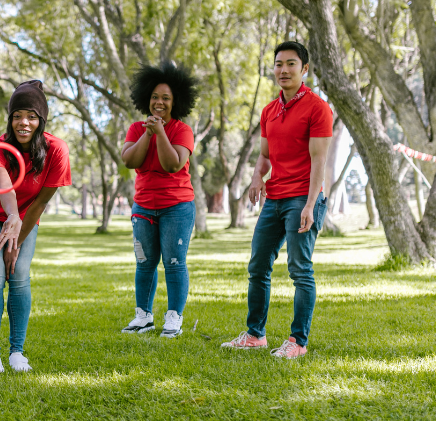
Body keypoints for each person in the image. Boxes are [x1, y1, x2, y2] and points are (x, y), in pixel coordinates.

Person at [221, 41, 332, 359]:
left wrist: (311, 204)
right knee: (257, 267)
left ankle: (298, 342)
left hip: (302, 199)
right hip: (275, 199)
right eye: (278, 64)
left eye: (291, 64)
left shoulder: (317, 108)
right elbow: (265, 155)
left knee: (300, 270)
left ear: (305, 69)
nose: (283, 70)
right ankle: (255, 335)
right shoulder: (269, 110)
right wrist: (257, 177)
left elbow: (319, 161)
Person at [0, 80, 71, 373]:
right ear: (10, 119)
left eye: (31, 115)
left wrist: (17, 239)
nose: (23, 122)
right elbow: (5, 189)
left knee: (19, 272)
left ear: (41, 120)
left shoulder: (57, 151)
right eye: (17, 115)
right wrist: (11, 217)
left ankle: (17, 352)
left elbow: (39, 204)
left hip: (26, 216)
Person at [120, 61, 200, 338]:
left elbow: (173, 165)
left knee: (174, 262)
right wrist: (147, 132)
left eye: (165, 98)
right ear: (147, 99)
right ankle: (143, 316)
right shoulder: (135, 129)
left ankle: (174, 318)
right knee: (144, 262)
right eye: (155, 97)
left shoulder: (182, 130)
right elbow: (130, 160)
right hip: (144, 206)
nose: (159, 102)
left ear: (175, 101)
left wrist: (161, 132)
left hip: (176, 207)